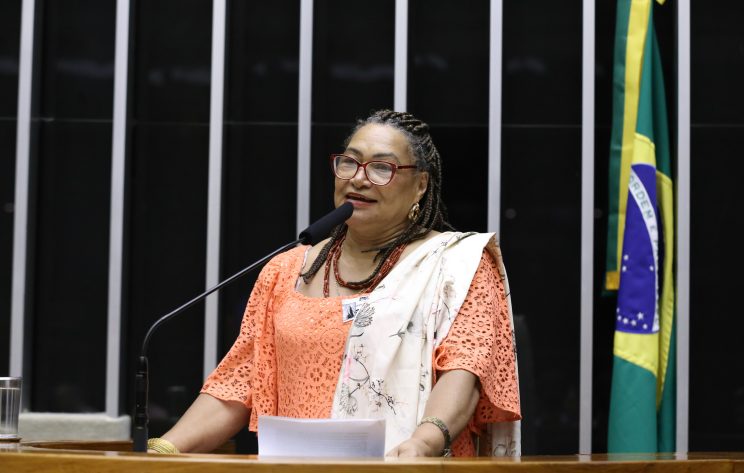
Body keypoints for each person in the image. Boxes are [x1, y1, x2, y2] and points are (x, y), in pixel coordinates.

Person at [147, 110, 521, 457]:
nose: (359, 178)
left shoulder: (456, 264)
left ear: (420, 185)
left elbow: (465, 371)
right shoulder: (286, 269)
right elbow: (238, 384)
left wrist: (422, 444)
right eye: (349, 162)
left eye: (381, 168)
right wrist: (162, 451)